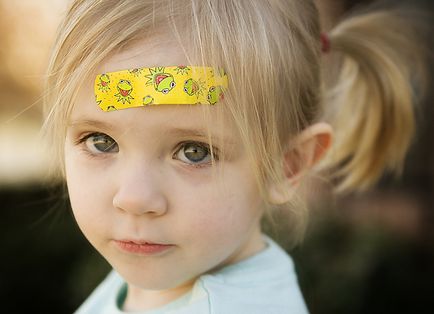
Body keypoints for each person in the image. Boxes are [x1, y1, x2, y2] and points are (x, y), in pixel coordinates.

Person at [42, 0, 426, 313]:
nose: (134, 198)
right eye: (100, 141)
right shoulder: (149, 282)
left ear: (286, 166)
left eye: (194, 152)